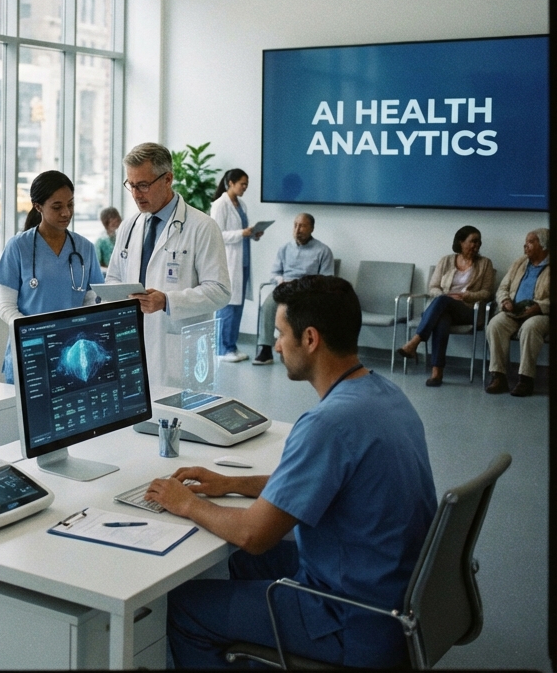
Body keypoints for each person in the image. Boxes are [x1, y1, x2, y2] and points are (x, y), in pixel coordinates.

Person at [146, 275, 436, 668]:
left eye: (281, 334)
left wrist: (186, 503)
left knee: (184, 606)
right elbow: (326, 483)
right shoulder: (386, 395)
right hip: (393, 595)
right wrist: (231, 484)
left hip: (349, 618)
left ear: (310, 339)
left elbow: (253, 535)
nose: (278, 345)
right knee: (237, 565)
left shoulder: (327, 423)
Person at [104, 143, 230, 389]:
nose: (136, 194)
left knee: (178, 411)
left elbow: (220, 291)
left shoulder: (202, 227)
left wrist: (168, 301)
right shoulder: (129, 226)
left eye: (143, 185)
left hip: (180, 349)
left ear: (168, 179)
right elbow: (113, 278)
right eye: (131, 185)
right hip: (133, 343)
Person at [0, 171, 104, 384]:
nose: (66, 213)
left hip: (73, 352)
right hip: (29, 349)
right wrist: (35, 331)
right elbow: (5, 306)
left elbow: (91, 300)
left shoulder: (85, 248)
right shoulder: (18, 247)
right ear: (38, 207)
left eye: (70, 204)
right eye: (57, 207)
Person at [397, 225, 495, 387]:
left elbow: (487, 292)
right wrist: (444, 296)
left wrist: (466, 295)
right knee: (442, 316)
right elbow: (433, 287)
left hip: (469, 310)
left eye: (479, 242)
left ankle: (415, 342)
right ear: (461, 242)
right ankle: (437, 372)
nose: (477, 245)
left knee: (442, 303)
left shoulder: (485, 264)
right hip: (444, 307)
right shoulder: (446, 261)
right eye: (473, 241)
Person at [252, 214, 334, 365]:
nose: (297, 230)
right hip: (285, 288)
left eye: (302, 226)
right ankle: (265, 349)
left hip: (307, 291)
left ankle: (299, 352)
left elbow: (327, 279)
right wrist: (281, 281)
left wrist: (305, 284)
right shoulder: (284, 249)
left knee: (302, 311)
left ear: (312, 228)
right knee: (268, 306)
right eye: (295, 225)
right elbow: (274, 273)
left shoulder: (323, 250)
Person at [484, 228, 549, 397]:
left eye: (530, 242)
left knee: (530, 327)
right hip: (514, 312)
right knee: (495, 324)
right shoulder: (519, 263)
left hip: (542, 315)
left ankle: (526, 379)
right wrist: (505, 301)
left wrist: (540, 307)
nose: (525, 246)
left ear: (543, 246)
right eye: (525, 242)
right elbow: (503, 288)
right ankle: (499, 377)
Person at [209, 169, 265, 363]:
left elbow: (241, 233)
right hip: (229, 261)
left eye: (246, 185)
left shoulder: (241, 205)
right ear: (231, 183)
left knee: (237, 307)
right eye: (242, 184)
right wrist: (242, 233)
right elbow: (217, 234)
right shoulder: (220, 205)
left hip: (243, 261)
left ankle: (231, 346)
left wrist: (253, 234)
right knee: (227, 305)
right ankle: (222, 348)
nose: (245, 188)